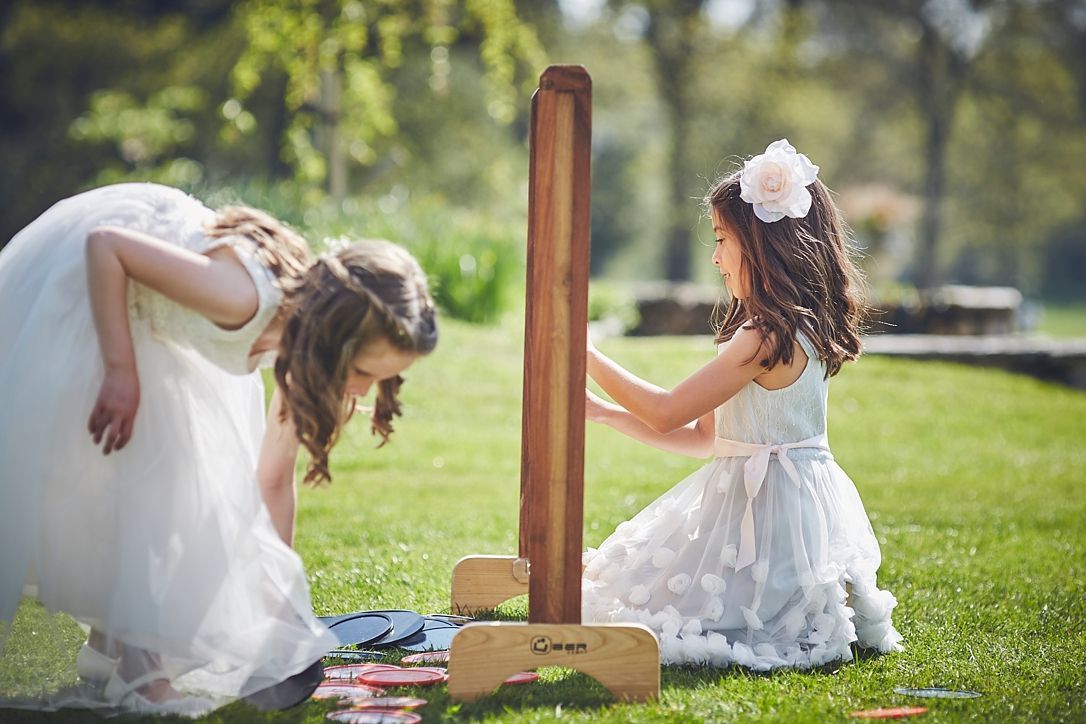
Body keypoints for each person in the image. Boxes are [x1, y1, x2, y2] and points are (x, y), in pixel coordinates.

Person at [0, 182, 438, 716]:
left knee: (178, 483)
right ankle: (141, 672)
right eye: (364, 372)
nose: (364, 392)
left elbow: (272, 480)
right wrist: (121, 371)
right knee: (160, 482)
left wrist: (281, 612)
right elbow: (105, 245)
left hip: (160, 328)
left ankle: (108, 649)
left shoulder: (300, 351)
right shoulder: (243, 295)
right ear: (334, 339)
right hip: (94, 298)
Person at [581, 140, 902, 670]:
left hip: (766, 518)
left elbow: (667, 412)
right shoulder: (799, 328)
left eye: (722, 239)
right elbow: (705, 438)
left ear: (761, 247)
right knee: (621, 586)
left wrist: (585, 352)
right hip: (793, 509)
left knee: (624, 601)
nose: (714, 256)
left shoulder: (763, 335)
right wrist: (604, 413)